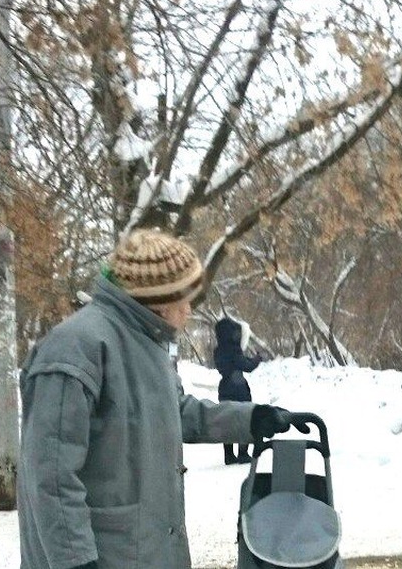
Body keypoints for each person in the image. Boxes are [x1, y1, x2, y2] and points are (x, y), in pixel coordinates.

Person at [17, 229, 308, 569]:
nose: (189, 309)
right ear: (157, 298)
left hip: (146, 552)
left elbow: (176, 410)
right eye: (184, 298)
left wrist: (251, 419)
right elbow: (50, 474)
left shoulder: (146, 344)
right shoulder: (76, 349)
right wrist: (75, 562)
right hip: (102, 557)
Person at [214, 315, 264, 464]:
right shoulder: (234, 349)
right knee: (244, 418)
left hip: (224, 387)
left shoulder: (218, 350)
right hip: (238, 388)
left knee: (227, 420)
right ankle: (243, 453)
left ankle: (228, 455)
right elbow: (246, 366)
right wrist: (257, 359)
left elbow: (233, 363)